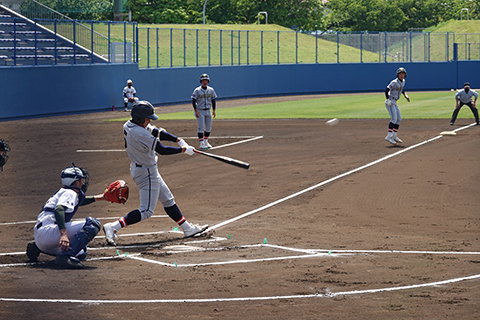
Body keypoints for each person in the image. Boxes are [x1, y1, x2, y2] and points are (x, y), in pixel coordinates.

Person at [102, 101, 207, 246]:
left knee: (168, 200)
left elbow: (157, 132)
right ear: (140, 118)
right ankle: (113, 227)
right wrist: (183, 150)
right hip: (146, 173)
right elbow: (162, 149)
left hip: (144, 169)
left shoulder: (130, 124)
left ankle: (187, 228)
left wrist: (179, 140)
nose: (150, 120)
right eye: (147, 118)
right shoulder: (138, 132)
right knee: (146, 211)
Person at [26, 164, 106, 269]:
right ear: (77, 183)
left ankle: (37, 247)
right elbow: (59, 209)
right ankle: (64, 257)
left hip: (42, 238)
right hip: (49, 233)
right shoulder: (70, 193)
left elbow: (79, 201)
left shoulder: (65, 192)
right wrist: (63, 234)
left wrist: (100, 198)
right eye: (82, 180)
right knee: (93, 224)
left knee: (81, 252)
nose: (83, 183)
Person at [384, 67, 410, 145]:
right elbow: (387, 89)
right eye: (400, 74)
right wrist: (388, 99)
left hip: (395, 101)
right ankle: (389, 136)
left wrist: (405, 95)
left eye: (403, 74)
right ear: (398, 75)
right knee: (394, 119)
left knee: (399, 119)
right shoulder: (394, 82)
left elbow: (401, 89)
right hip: (390, 101)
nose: (402, 75)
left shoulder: (403, 81)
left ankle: (394, 136)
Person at [191, 73, 217, 150]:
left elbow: (213, 100)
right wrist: (196, 110)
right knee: (201, 127)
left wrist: (214, 110)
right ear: (201, 82)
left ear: (208, 81)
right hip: (200, 110)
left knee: (208, 128)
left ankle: (206, 141)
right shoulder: (197, 90)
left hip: (208, 110)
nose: (204, 82)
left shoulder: (211, 90)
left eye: (206, 80)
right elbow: (193, 100)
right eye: (203, 80)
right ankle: (201, 143)